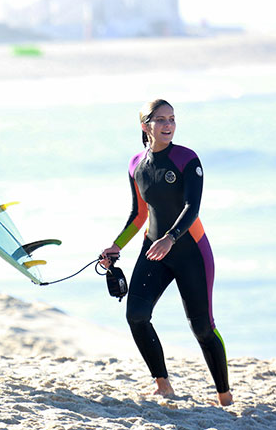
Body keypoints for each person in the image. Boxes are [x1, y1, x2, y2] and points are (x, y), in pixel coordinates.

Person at [98, 99, 233, 406]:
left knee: (202, 327)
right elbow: (139, 214)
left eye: (171, 119)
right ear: (145, 126)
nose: (168, 125)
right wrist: (117, 246)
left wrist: (171, 237)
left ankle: (224, 395)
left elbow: (192, 208)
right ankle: (163, 384)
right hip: (154, 248)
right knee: (136, 315)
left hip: (190, 250)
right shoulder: (136, 164)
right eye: (160, 120)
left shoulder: (187, 159)